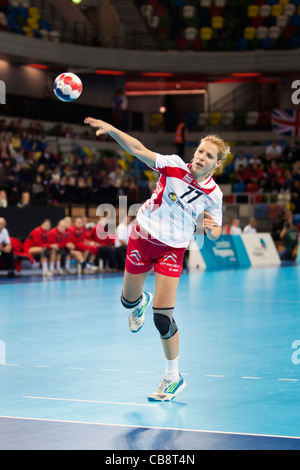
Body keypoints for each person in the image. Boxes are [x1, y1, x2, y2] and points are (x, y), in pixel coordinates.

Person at [85, 116, 229, 402]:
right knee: (127, 300)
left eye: (209, 155)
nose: (201, 157)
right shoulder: (173, 164)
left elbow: (215, 233)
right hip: (143, 235)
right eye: (200, 151)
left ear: (217, 164)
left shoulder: (214, 195)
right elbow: (138, 150)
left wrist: (207, 226)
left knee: (163, 319)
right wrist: (113, 130)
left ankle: (172, 377)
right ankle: (138, 302)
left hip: (172, 251)